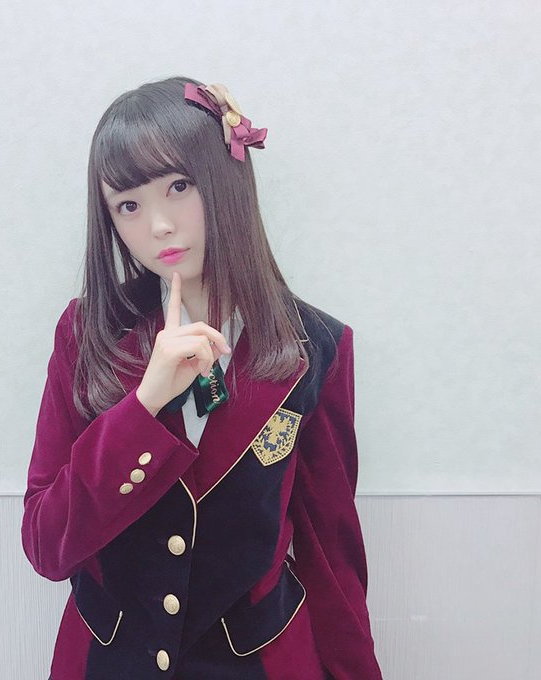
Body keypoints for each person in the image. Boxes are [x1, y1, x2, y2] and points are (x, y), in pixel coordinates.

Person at [21, 76, 383, 680]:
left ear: (223, 179)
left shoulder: (316, 346)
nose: (159, 225)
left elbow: (331, 561)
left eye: (179, 187)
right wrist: (143, 406)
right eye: (128, 205)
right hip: (109, 663)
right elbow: (46, 545)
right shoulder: (87, 333)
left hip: (262, 665)